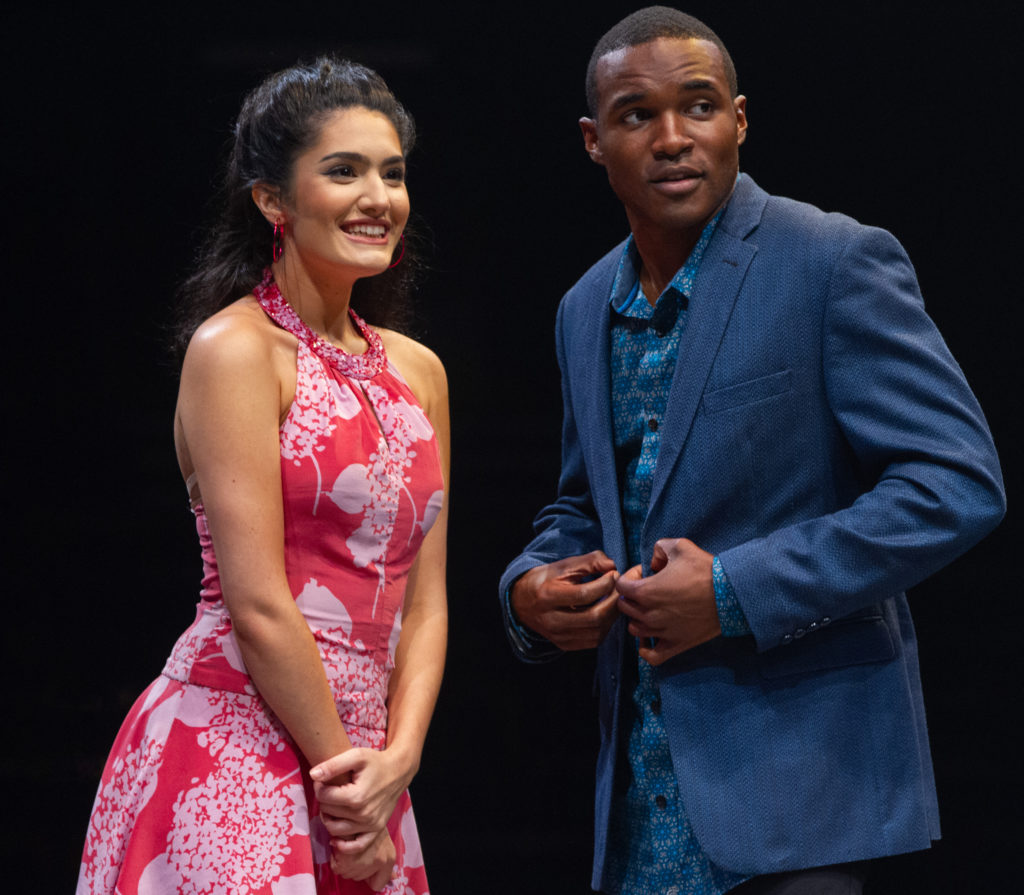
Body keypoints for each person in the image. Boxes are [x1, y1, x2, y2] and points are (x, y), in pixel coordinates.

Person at [500, 7, 1005, 894]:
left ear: (738, 118)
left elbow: (956, 482)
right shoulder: (584, 306)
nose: (671, 139)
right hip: (637, 807)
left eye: (697, 107)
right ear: (592, 141)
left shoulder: (833, 262)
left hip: (801, 792)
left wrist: (733, 592)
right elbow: (587, 503)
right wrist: (529, 589)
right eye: (635, 115)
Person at [77, 57, 448, 895]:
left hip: (366, 765)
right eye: (343, 170)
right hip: (236, 742)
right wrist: (351, 787)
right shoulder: (235, 350)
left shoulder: (422, 373)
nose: (377, 197)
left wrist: (398, 761)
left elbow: (426, 602)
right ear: (272, 200)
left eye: (392, 173)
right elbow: (257, 601)